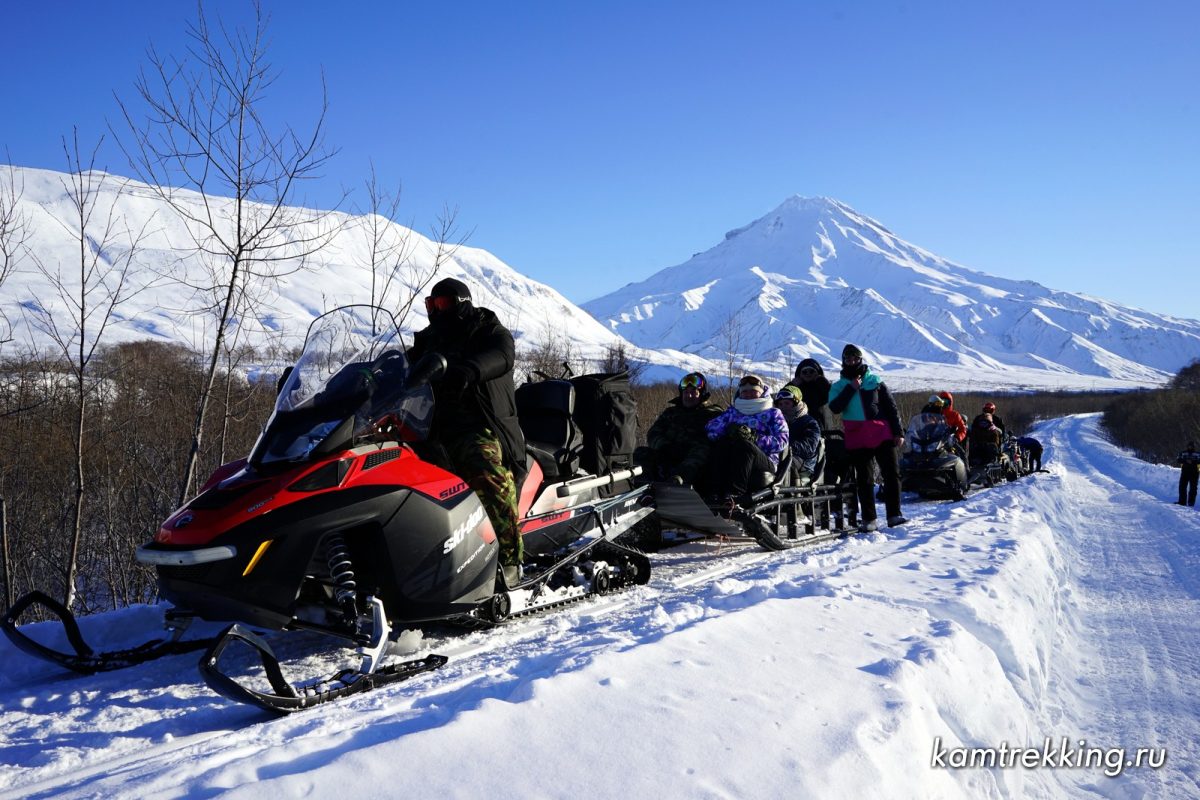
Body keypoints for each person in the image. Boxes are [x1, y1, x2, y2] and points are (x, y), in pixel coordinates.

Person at [407, 277, 526, 586]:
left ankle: (510, 559)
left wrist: (470, 370)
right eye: (430, 305)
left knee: (484, 470)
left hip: (479, 424)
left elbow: (502, 355)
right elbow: (406, 366)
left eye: (442, 303)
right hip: (430, 427)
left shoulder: (486, 330)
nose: (435, 310)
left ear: (461, 304)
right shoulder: (428, 340)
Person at [828, 344, 905, 531]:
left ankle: (894, 515)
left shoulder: (875, 381)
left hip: (882, 433)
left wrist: (898, 432)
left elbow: (891, 408)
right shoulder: (838, 386)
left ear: (861, 359)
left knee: (891, 474)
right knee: (864, 478)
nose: (852, 362)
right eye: (848, 359)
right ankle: (869, 519)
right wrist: (851, 388)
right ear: (843, 361)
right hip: (858, 436)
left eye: (855, 358)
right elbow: (835, 408)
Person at [704, 374, 789, 497]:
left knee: (744, 445)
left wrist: (755, 438)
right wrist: (728, 429)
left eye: (753, 391)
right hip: (734, 454)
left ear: (761, 392)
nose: (749, 394)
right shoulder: (733, 411)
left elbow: (782, 441)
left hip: (764, 459)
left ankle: (735, 494)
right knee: (723, 443)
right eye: (745, 392)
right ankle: (715, 492)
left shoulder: (773, 413)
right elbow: (711, 428)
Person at [636, 372, 723, 487]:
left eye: (693, 392)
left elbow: (714, 438)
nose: (689, 396)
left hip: (694, 457)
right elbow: (653, 433)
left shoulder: (712, 414)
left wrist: (688, 447)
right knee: (641, 452)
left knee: (701, 451)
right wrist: (664, 446)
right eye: (686, 392)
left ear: (701, 394)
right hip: (667, 452)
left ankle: (677, 481)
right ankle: (642, 484)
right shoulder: (670, 413)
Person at [788, 357, 850, 486]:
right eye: (804, 372)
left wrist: (820, 379)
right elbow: (783, 399)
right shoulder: (797, 390)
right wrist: (792, 384)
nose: (808, 375)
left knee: (829, 462)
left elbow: (832, 396)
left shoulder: (822, 387)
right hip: (802, 434)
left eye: (811, 371)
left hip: (826, 431)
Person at [774, 385, 823, 484]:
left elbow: (810, 446)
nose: (783, 407)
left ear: (796, 403)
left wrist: (786, 447)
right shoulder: (774, 422)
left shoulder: (809, 422)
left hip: (803, 460)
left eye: (787, 403)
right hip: (780, 454)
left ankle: (782, 492)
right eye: (780, 404)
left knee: (783, 462)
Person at [1177, 442, 1200, 506]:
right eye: (1189, 446)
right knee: (1182, 487)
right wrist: (1185, 461)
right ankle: (1182, 501)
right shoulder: (1183, 453)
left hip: (1195, 473)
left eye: (1191, 446)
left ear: (1193, 447)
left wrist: (1193, 462)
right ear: (1187, 446)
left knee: (1193, 488)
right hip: (1185, 472)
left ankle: (1191, 502)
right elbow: (1178, 459)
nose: (1190, 447)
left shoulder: (1197, 454)